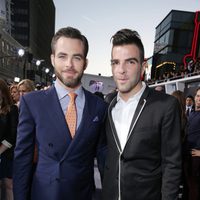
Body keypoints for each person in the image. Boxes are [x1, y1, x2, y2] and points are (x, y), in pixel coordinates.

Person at [13, 27, 107, 200]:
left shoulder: (100, 107)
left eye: (76, 57)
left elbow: (103, 160)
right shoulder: (32, 102)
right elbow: (22, 159)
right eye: (62, 56)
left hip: (83, 195)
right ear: (53, 59)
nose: (69, 65)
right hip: (43, 194)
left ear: (85, 63)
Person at [102, 28, 182, 200]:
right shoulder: (107, 104)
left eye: (130, 62)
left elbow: (172, 164)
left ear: (143, 66)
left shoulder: (166, 106)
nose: (121, 70)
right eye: (115, 62)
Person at [0, 79, 18, 200]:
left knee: (8, 185)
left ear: (2, 91)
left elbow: (13, 135)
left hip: (7, 153)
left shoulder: (12, 109)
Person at [185, 87, 200, 200]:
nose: (199, 99)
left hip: (197, 158)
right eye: (198, 96)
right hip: (189, 157)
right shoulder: (192, 113)